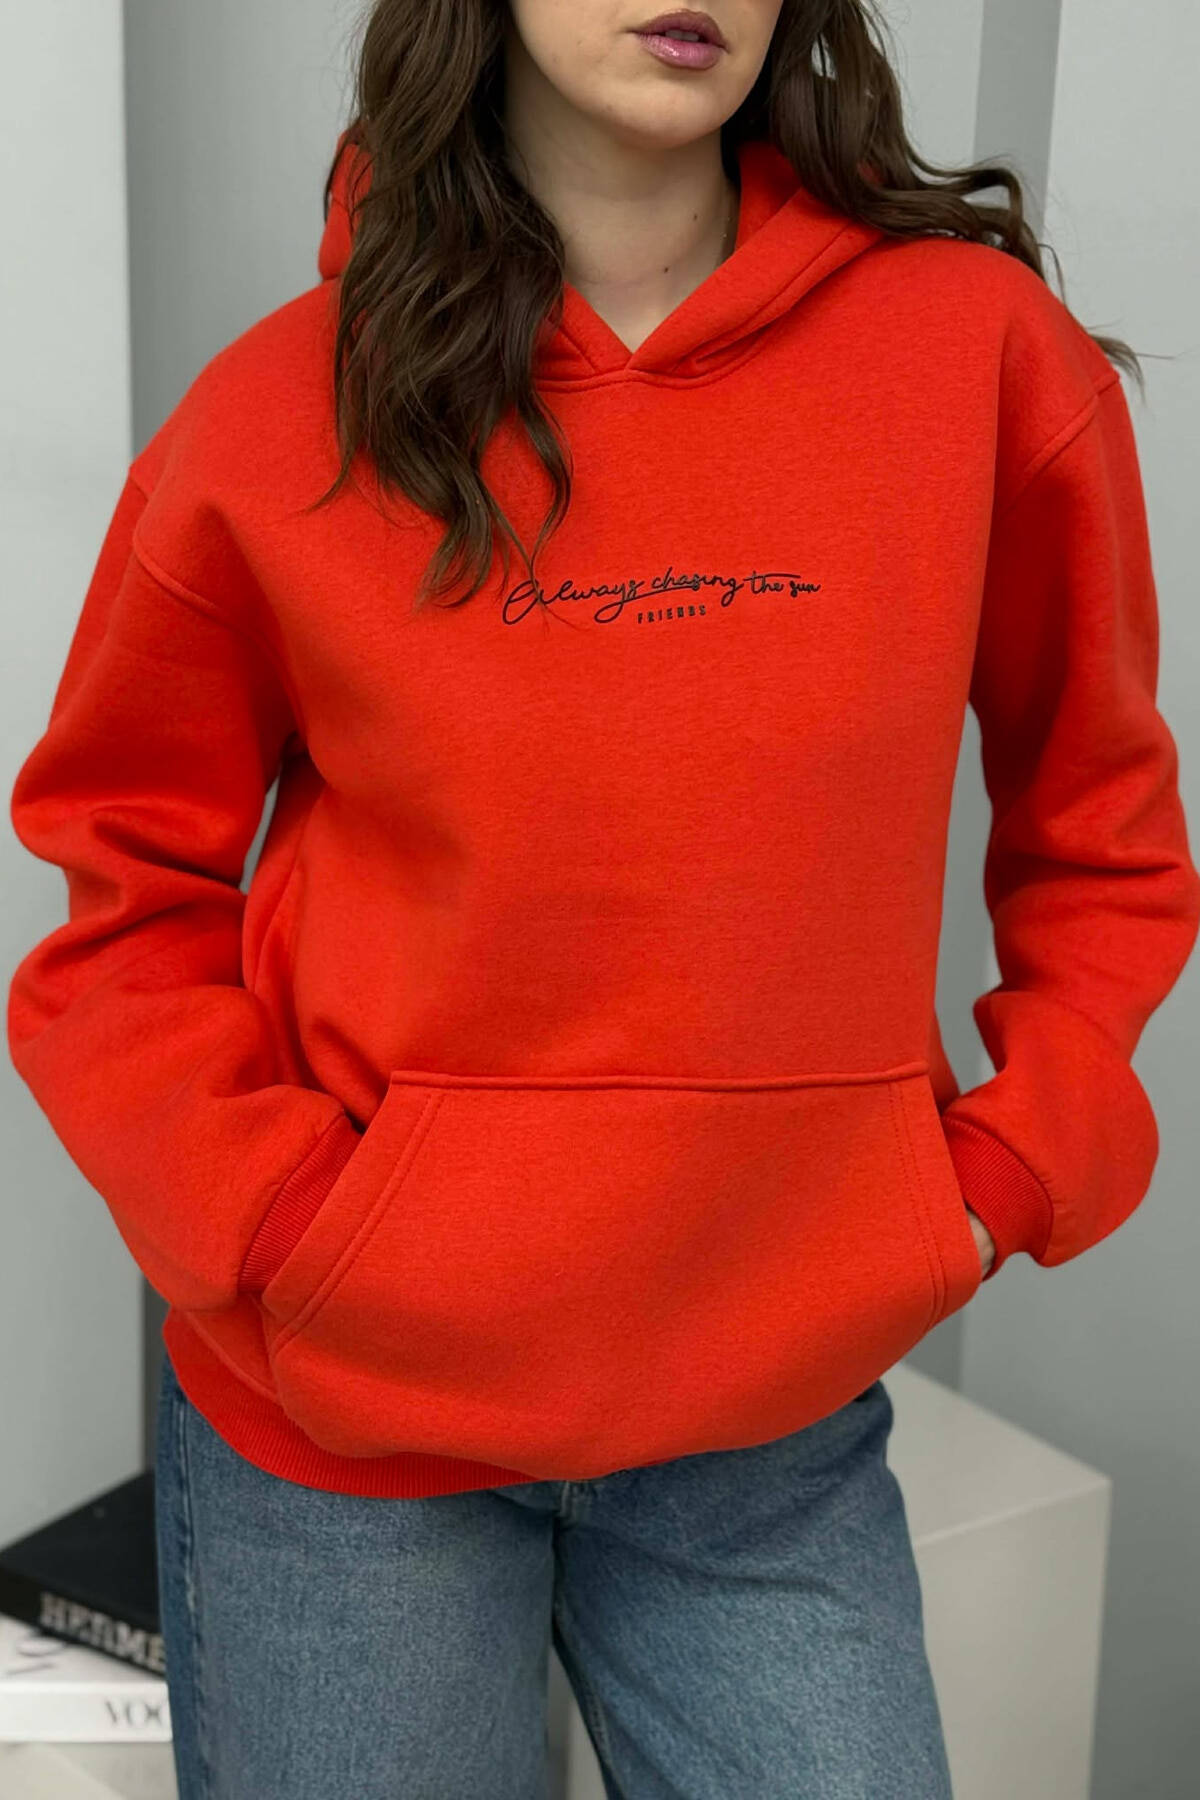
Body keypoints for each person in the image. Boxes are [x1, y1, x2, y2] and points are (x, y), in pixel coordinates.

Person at [8, 1, 1199, 1794]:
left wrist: (1006, 1170)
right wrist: (287, 1227)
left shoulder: (977, 360)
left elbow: (1102, 825)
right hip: (349, 1440)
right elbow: (122, 898)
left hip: (768, 1426)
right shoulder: (280, 413)